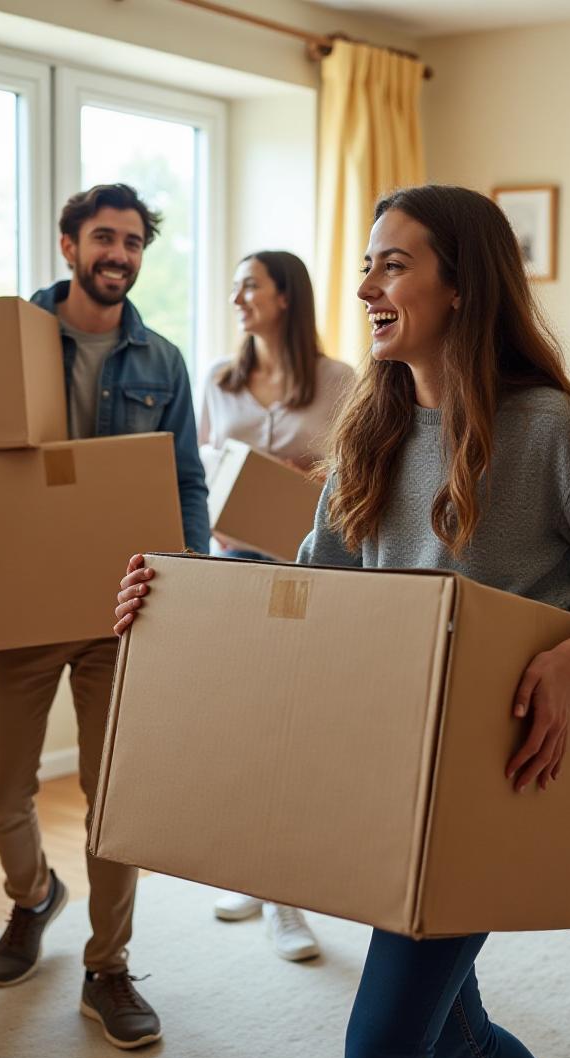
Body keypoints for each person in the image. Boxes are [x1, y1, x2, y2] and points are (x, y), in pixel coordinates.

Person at [114, 185, 570, 1058]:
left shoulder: (551, 430)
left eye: (393, 264)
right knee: (454, 1038)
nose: (365, 289)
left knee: (379, 1055)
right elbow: (315, 589)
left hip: (488, 777)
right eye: (364, 267)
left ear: (461, 284)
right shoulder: (371, 428)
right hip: (381, 764)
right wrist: (180, 590)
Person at [0, 183, 210, 1052]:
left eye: (134, 242)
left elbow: (183, 481)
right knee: (1, 786)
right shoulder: (1, 344)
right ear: (68, 245)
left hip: (119, 610)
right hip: (16, 607)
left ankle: (108, 966)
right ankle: (33, 896)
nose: (120, 254)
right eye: (104, 238)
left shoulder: (163, 362)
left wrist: (190, 578)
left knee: (117, 797)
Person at [196, 248, 357, 960]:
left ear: (285, 295)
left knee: (293, 730)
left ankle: (289, 896)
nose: (237, 298)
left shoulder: (338, 381)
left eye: (249, 286)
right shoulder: (219, 381)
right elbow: (199, 465)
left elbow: (361, 471)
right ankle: (255, 877)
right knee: (243, 727)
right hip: (234, 565)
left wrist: (308, 473)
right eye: (235, 287)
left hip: (308, 572)